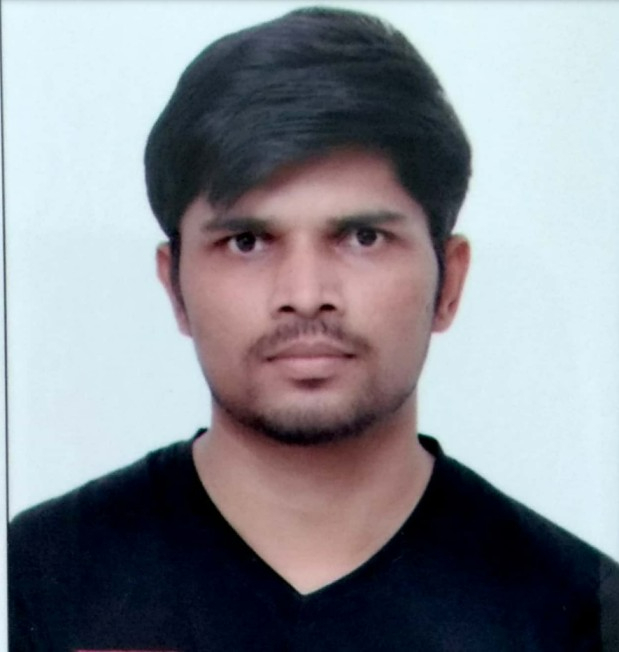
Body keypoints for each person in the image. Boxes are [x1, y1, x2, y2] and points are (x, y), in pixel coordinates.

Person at [9, 6, 618, 651]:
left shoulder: (578, 615)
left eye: (363, 237)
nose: (305, 296)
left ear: (450, 281)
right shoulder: (35, 581)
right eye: (247, 241)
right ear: (175, 287)